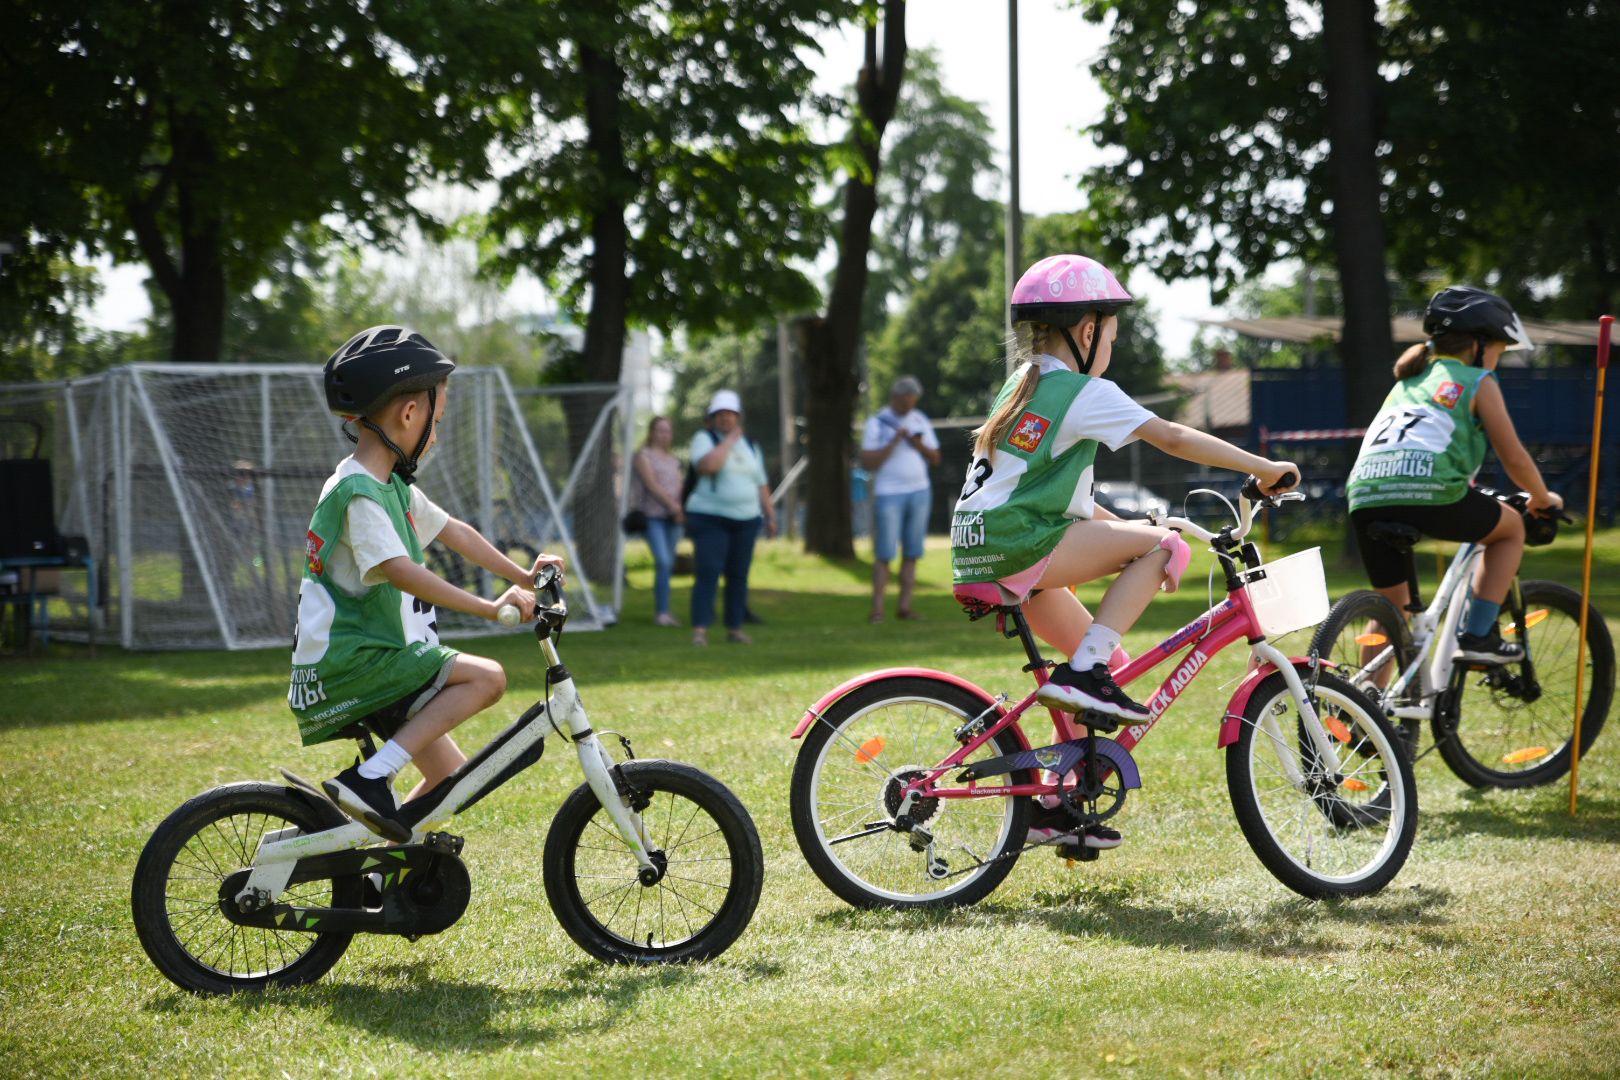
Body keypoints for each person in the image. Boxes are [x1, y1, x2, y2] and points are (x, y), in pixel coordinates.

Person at [950, 254, 1298, 851]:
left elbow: (1068, 500)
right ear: (1088, 332)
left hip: (982, 547)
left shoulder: (1021, 387)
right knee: (1160, 552)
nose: (1108, 344)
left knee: (1110, 661)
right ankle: (1083, 675)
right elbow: (1174, 435)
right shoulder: (1081, 390)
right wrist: (1264, 468)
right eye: (1110, 333)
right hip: (1019, 545)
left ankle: (1055, 804)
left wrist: (1126, 526)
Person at [290, 325, 564, 843]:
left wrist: (522, 575)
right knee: (488, 678)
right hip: (361, 664)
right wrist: (490, 608)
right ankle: (372, 776)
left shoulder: (388, 486)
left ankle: (368, 866)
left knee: (450, 780)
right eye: (434, 422)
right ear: (409, 414)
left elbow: (454, 531)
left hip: (377, 659)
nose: (435, 436)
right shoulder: (358, 494)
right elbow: (400, 569)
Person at [1347, 286, 1561, 664]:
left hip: (1366, 495)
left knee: (1393, 612)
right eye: (1498, 350)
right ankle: (1478, 636)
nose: (1497, 361)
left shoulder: (1407, 383)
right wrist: (1542, 498)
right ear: (1478, 345)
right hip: (1430, 492)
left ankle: (1364, 712)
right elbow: (1514, 458)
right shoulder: (1478, 381)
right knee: (1512, 529)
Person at [686, 389, 776, 645]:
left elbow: (761, 482)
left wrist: (770, 515)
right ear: (713, 417)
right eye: (721, 414)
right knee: (709, 572)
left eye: (731, 414)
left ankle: (735, 628)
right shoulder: (704, 438)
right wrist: (729, 441)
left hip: (746, 519)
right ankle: (700, 630)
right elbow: (708, 466)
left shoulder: (751, 446)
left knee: (738, 575)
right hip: (710, 517)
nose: (726, 418)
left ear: (738, 417)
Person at [861, 375, 942, 623]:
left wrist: (915, 443)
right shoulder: (877, 423)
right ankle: (877, 609)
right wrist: (894, 441)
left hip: (919, 492)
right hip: (889, 494)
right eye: (905, 401)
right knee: (884, 553)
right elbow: (868, 462)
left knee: (912, 552)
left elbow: (935, 457)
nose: (909, 406)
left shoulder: (919, 420)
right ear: (895, 398)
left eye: (913, 401)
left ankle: (904, 607)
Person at [629, 415, 685, 626]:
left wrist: (680, 508)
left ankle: (665, 610)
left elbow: (679, 486)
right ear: (652, 432)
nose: (664, 435)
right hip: (653, 517)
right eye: (660, 430)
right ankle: (661, 613)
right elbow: (652, 485)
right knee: (663, 560)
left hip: (673, 518)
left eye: (667, 430)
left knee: (668, 564)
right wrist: (672, 505)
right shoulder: (644, 456)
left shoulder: (673, 460)